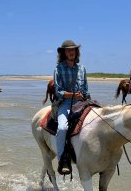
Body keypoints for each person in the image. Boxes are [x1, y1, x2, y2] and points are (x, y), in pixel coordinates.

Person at [54, 40, 90, 175]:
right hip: (66, 103)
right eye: (68, 50)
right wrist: (72, 94)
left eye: (73, 50)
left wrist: (89, 99)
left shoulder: (82, 68)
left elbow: (86, 89)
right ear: (63, 53)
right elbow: (58, 91)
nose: (71, 52)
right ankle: (62, 159)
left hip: (82, 102)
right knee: (62, 127)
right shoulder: (58, 69)